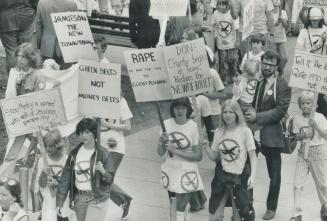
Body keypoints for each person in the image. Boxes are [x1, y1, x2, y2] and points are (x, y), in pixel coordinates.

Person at [244, 50, 291, 220]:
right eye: (264, 63)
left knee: (275, 174)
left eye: (271, 65)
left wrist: (258, 117)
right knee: (247, 169)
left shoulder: (282, 85)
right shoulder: (257, 82)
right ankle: (247, 204)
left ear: (276, 67)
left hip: (272, 135)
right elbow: (251, 103)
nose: (267, 67)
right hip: (253, 132)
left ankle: (271, 207)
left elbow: (280, 111)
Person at [205, 99, 256, 221]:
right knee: (215, 216)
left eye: (231, 112)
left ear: (237, 113)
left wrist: (252, 177)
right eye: (225, 112)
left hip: (239, 178)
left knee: (239, 217)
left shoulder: (245, 131)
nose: (228, 115)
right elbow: (214, 157)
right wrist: (205, 147)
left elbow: (253, 156)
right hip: (222, 177)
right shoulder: (219, 132)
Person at [0, 43, 46, 177]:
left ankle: (44, 173)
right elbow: (10, 96)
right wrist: (17, 82)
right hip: (19, 119)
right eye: (18, 56)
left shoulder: (38, 75)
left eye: (23, 57)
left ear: (30, 58)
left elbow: (39, 100)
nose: (19, 59)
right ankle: (4, 178)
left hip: (32, 121)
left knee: (41, 147)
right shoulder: (15, 72)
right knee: (14, 151)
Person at [56, 118, 115, 221]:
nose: (83, 135)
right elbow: (65, 178)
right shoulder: (74, 153)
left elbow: (110, 180)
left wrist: (103, 171)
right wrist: (60, 202)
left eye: (87, 132)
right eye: (81, 132)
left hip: (97, 199)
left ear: (94, 133)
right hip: (80, 198)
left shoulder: (103, 154)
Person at [157, 97, 204, 221]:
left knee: (177, 211)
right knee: (174, 205)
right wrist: (161, 143)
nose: (180, 111)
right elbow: (160, 153)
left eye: (183, 108)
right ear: (173, 109)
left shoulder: (193, 126)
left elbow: (198, 156)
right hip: (170, 168)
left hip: (187, 169)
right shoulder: (166, 124)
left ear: (188, 109)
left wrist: (175, 151)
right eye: (177, 108)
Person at [289, 91, 327, 221]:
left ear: (314, 104)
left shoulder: (320, 117)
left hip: (318, 151)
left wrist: (315, 127)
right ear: (299, 105)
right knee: (297, 184)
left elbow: (326, 136)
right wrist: (301, 136)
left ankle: (325, 208)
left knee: (322, 184)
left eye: (308, 103)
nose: (305, 106)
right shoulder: (297, 118)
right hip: (303, 152)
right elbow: (295, 136)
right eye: (303, 103)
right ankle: (296, 213)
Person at [100, 93, 133, 220]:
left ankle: (123, 201)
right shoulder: (93, 98)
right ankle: (124, 199)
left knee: (105, 178)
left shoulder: (120, 101)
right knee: (98, 178)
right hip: (98, 146)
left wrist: (108, 125)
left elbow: (128, 126)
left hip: (115, 147)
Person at [35, 129, 76, 221]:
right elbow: (40, 185)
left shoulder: (66, 160)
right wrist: (44, 175)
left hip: (65, 201)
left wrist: (59, 184)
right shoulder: (42, 161)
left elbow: (72, 182)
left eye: (51, 146)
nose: (48, 148)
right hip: (50, 201)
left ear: (58, 145)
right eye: (46, 146)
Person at [35, 0, 77, 70]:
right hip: (66, 46)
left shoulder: (42, 3)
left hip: (46, 45)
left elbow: (38, 26)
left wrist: (39, 45)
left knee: (48, 76)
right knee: (64, 75)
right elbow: (76, 27)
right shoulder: (72, 4)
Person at [0, 0, 37, 79]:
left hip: (6, 18)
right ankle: (27, 79)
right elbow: (35, 2)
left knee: (11, 51)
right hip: (26, 16)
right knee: (25, 48)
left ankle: (13, 81)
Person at [212, 0, 239, 85]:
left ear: (228, 5)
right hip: (221, 43)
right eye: (219, 4)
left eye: (223, 5)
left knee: (233, 59)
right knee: (222, 61)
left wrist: (237, 40)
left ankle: (233, 75)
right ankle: (224, 78)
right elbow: (214, 25)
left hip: (232, 42)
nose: (221, 7)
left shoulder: (232, 14)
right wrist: (215, 37)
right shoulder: (216, 13)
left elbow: (236, 28)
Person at [271, 0, 288, 75]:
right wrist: (275, 24)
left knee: (284, 58)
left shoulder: (283, 12)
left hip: (281, 39)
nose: (276, 1)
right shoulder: (269, 12)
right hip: (272, 40)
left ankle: (279, 72)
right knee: (273, 59)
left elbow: (286, 26)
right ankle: (275, 73)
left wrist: (283, 21)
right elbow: (268, 27)